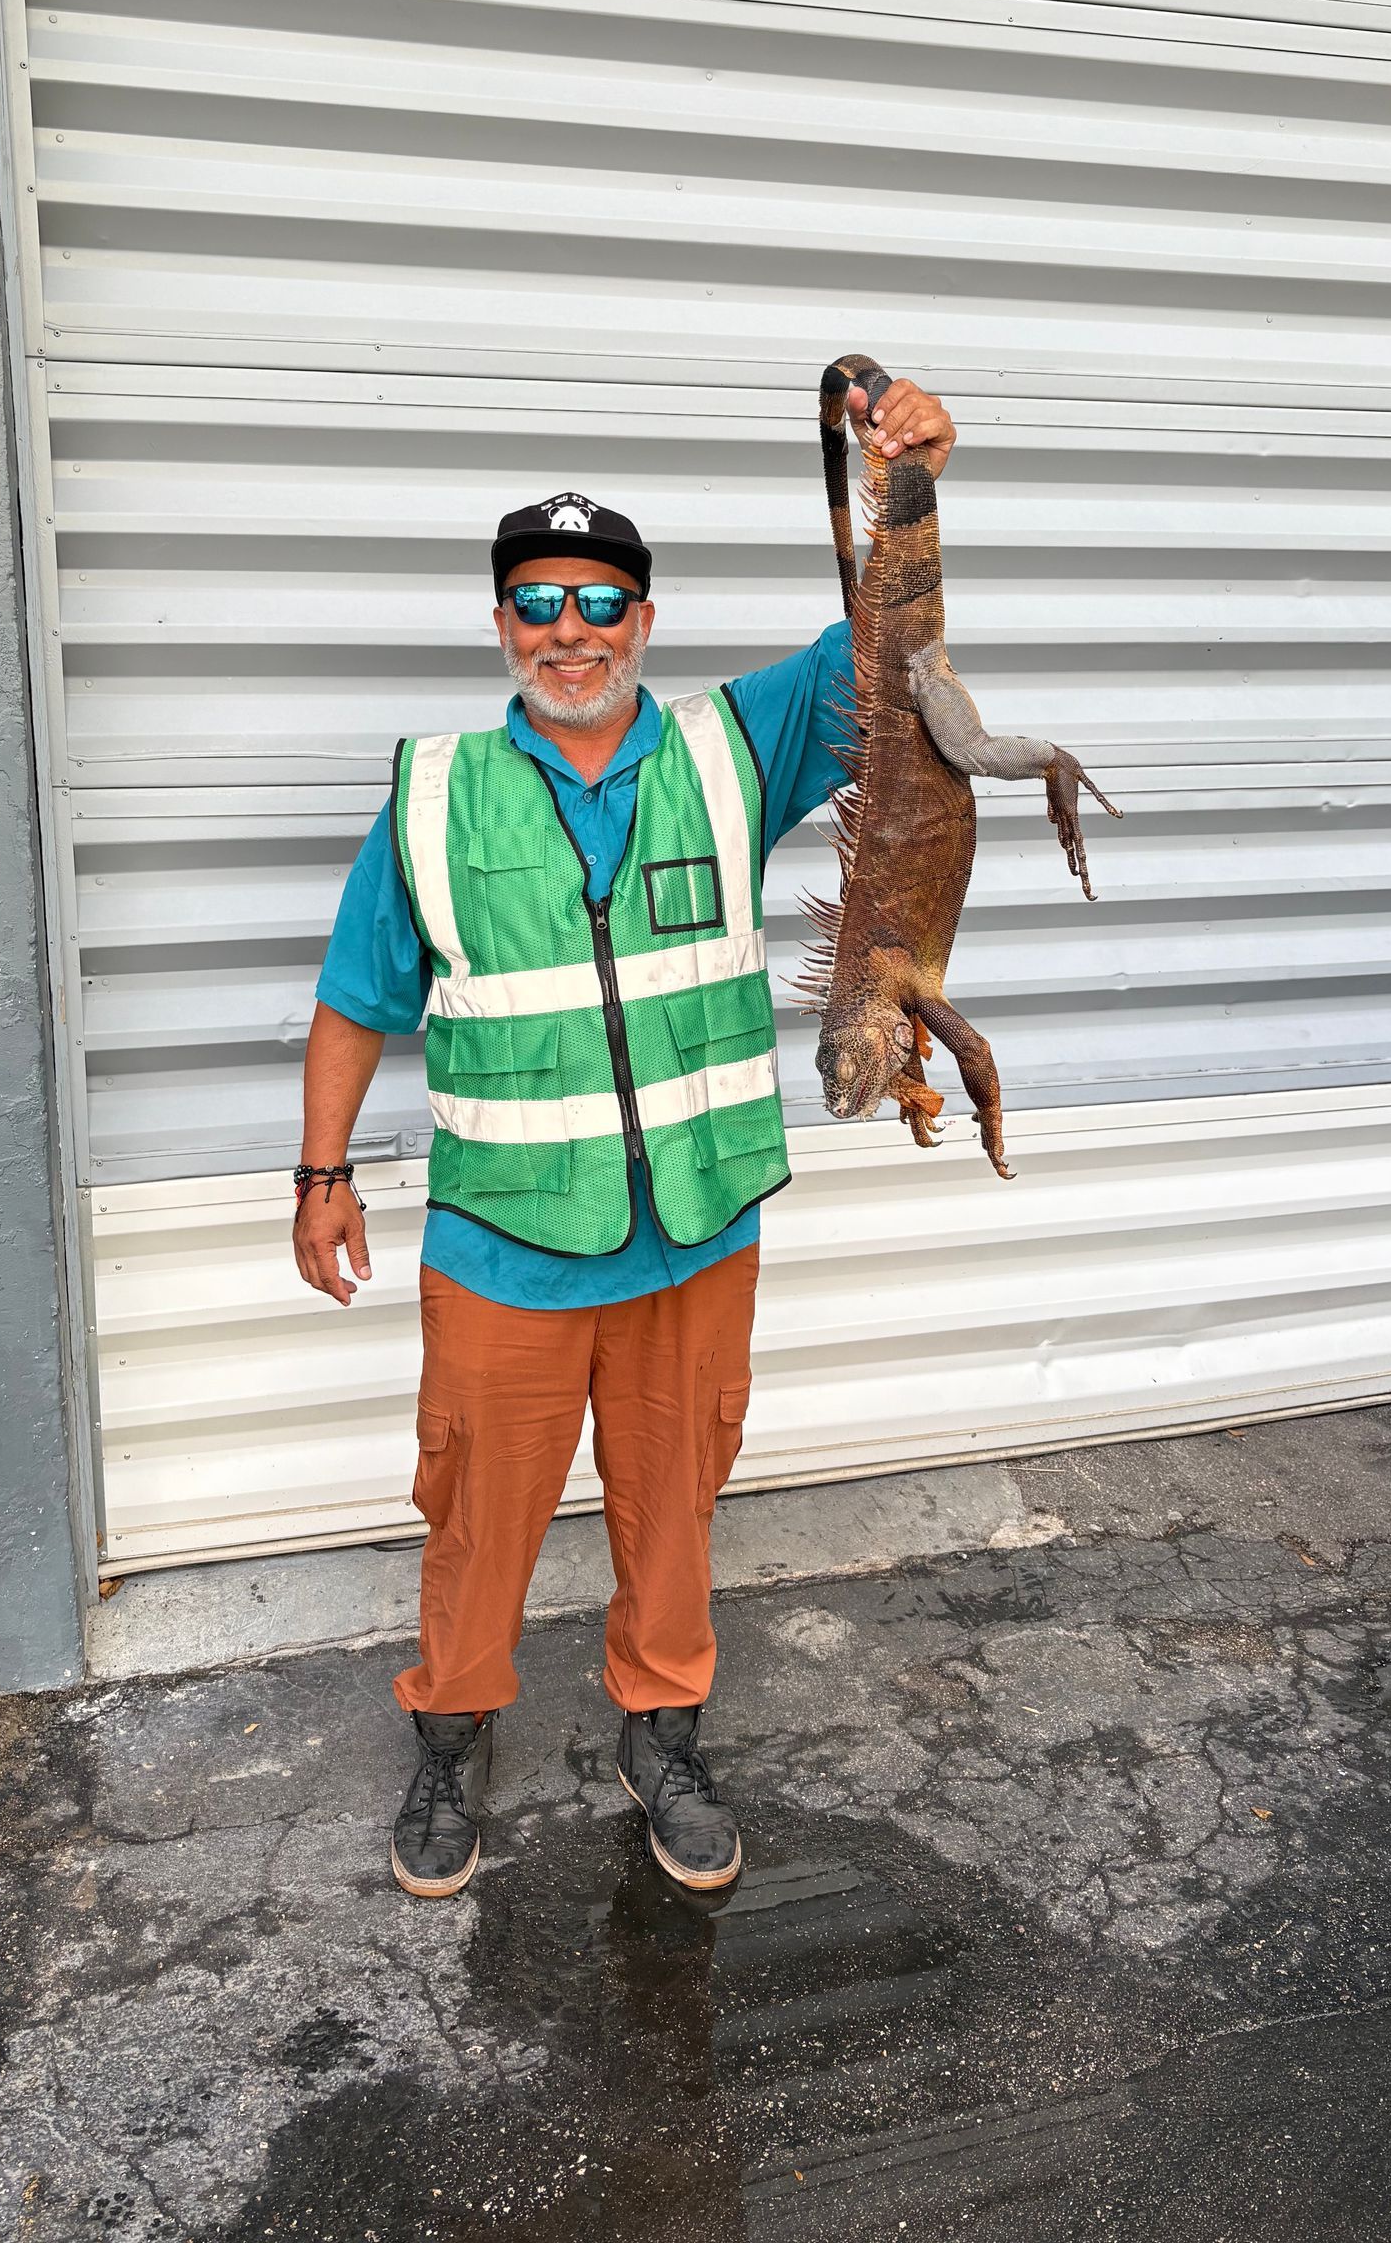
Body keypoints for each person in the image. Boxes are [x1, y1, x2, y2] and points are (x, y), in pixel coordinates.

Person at [295, 379, 959, 1899]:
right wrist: (322, 1176)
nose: (571, 631)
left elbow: (892, 649)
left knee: (676, 1512)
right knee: (477, 1515)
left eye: (601, 602)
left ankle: (663, 1736)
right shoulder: (436, 796)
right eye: (539, 604)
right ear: (503, 626)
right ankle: (453, 1732)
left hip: (695, 1233)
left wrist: (911, 482)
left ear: (644, 620)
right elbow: (352, 1000)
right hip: (505, 1246)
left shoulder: (738, 748)